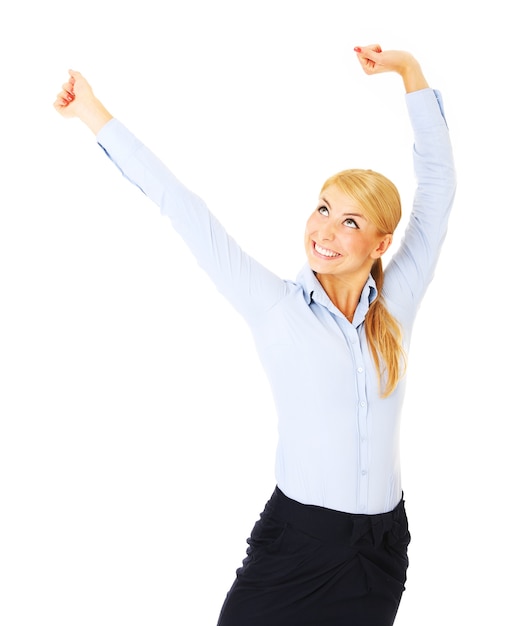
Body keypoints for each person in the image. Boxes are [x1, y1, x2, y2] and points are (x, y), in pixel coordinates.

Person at [54, 44, 456, 625]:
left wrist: (409, 73)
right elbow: (183, 208)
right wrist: (92, 112)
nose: (325, 230)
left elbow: (438, 190)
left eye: (350, 221)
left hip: (380, 552)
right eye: (322, 208)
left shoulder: (398, 304)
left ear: (380, 243)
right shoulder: (275, 307)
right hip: (296, 546)